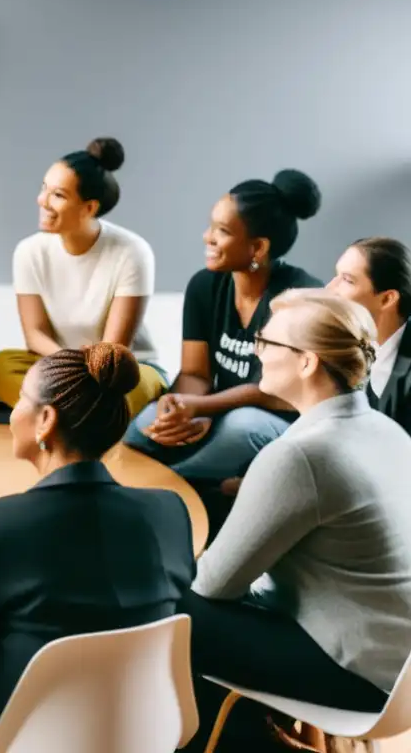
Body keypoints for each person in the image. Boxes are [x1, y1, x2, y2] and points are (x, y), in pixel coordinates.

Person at [0, 344, 195, 753]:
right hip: (141, 732)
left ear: (46, 420)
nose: (13, 412)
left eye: (20, 401)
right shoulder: (169, 513)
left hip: (23, 741)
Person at [179, 289, 411, 752]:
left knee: (173, 610)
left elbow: (214, 586)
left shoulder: (301, 454)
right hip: (397, 667)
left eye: (267, 341)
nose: (257, 350)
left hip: (357, 676)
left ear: (307, 363)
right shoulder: (388, 429)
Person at [123, 169, 323, 485]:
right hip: (219, 408)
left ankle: (171, 486)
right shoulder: (204, 286)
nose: (208, 237)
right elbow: (194, 373)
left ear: (258, 248)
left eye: (222, 230)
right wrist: (179, 408)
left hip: (278, 420)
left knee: (241, 427)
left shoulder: (300, 296)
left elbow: (276, 392)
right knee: (146, 424)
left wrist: (204, 407)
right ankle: (127, 487)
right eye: (210, 226)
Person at [0, 138, 164, 419]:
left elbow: (113, 348)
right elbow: (35, 335)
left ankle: (47, 415)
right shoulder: (29, 251)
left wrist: (75, 375)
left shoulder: (132, 252)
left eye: (58, 195)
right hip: (59, 362)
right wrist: (69, 364)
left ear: (89, 208)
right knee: (2, 366)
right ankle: (86, 419)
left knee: (135, 389)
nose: (42, 201)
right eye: (43, 188)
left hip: (118, 370)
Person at [328, 237, 411, 435]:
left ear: (387, 299)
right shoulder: (352, 345)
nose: (329, 288)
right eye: (336, 276)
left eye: (347, 280)